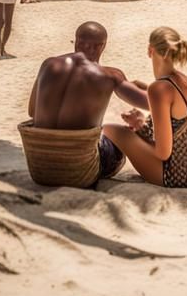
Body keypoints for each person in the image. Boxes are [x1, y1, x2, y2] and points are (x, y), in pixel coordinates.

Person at [27, 21, 150, 185]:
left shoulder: (48, 64)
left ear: (76, 42)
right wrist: (148, 88)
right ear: (102, 46)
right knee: (120, 135)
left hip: (39, 168)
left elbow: (32, 111)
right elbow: (152, 104)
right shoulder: (110, 75)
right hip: (81, 171)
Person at [102, 27, 187, 189]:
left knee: (110, 129)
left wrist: (140, 125)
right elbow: (174, 110)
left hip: (170, 175)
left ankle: (102, 166)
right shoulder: (185, 81)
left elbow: (163, 152)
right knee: (121, 129)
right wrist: (146, 90)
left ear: (150, 50)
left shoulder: (159, 89)